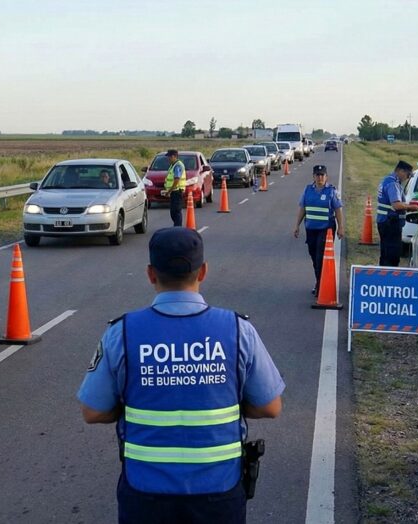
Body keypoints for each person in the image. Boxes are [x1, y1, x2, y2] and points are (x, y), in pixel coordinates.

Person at [78, 227, 284, 524]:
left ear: (151, 274)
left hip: (145, 492)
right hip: (219, 489)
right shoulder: (239, 331)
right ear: (203, 272)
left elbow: (92, 411)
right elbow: (270, 406)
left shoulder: (121, 332)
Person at [293, 165, 344, 296]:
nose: (320, 177)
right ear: (313, 176)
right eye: (317, 175)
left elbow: (338, 210)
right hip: (311, 229)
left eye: (322, 175)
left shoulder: (331, 191)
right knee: (314, 256)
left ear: (326, 177)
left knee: (320, 257)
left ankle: (320, 285)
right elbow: (302, 209)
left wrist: (340, 227)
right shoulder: (307, 190)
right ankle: (319, 282)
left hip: (326, 230)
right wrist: (297, 225)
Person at [376, 160, 418, 267]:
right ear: (401, 171)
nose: (408, 177)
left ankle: (384, 274)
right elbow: (396, 205)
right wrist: (411, 207)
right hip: (390, 223)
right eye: (408, 174)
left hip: (385, 221)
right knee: (392, 255)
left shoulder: (387, 180)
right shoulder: (393, 184)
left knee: (385, 253)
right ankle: (389, 277)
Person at [163, 150, 186, 227]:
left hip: (177, 191)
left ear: (173, 156)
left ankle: (178, 228)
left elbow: (176, 180)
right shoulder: (173, 165)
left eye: (169, 157)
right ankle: (177, 227)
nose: (168, 159)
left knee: (176, 211)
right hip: (174, 192)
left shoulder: (177, 166)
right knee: (173, 212)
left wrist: (169, 191)